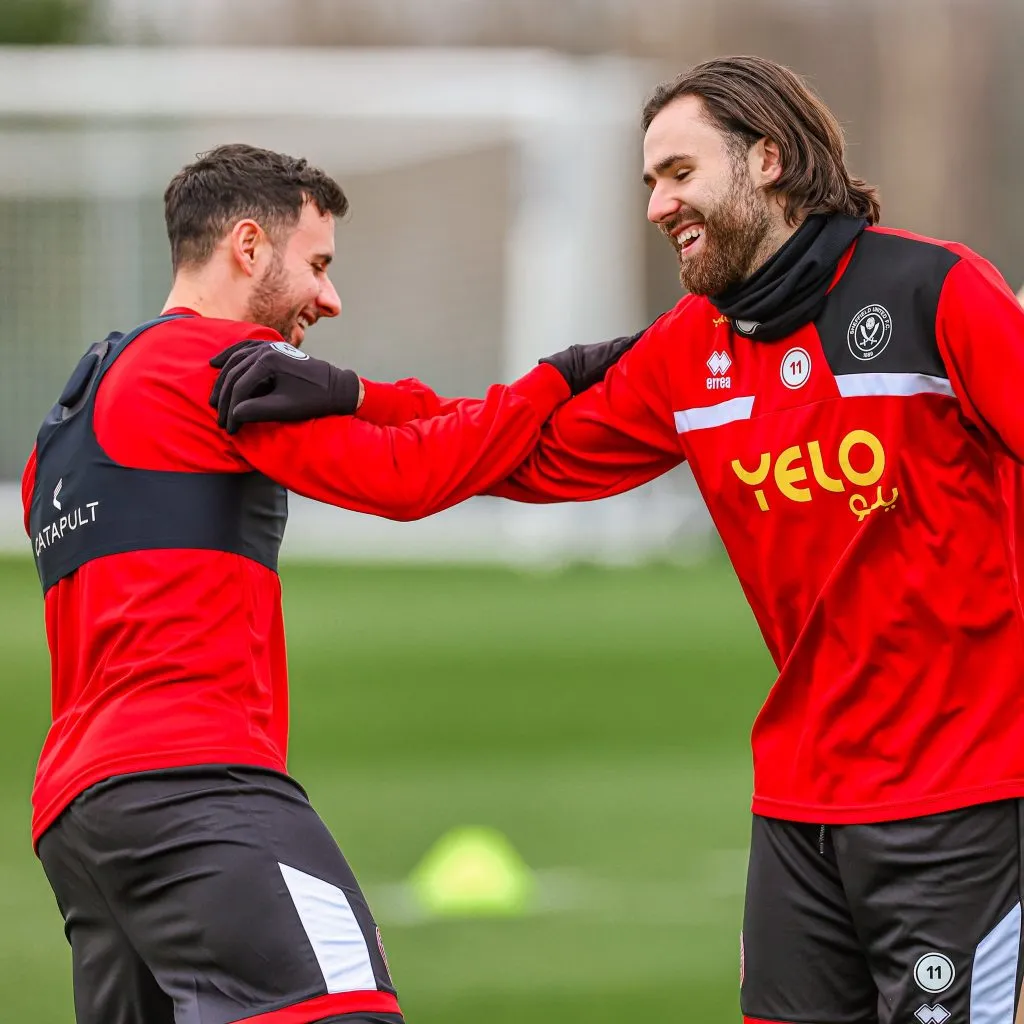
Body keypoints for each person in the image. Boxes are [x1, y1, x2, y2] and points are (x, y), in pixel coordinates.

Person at [214, 57, 1024, 1024]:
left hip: (967, 797)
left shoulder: (938, 292)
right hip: (799, 811)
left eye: (679, 173)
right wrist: (354, 397)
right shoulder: (693, 346)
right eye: (649, 182)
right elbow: (509, 452)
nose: (656, 204)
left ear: (767, 158)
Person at [22, 142, 631, 1024]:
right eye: (317, 264)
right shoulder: (216, 372)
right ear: (246, 246)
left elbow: (395, 411)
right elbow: (410, 475)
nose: (330, 298)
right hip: (197, 789)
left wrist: (368, 393)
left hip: (80, 823)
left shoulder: (67, 422)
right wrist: (557, 378)